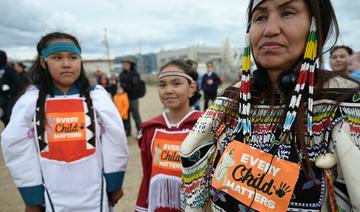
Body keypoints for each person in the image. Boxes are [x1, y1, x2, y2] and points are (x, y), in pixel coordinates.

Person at [180, 0, 360, 211]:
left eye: (288, 13)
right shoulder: (228, 103)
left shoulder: (347, 103)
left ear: (316, 25)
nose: (270, 29)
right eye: (260, 17)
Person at [1, 32, 129, 212]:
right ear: (43, 62)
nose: (67, 64)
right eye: (57, 57)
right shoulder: (30, 102)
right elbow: (16, 147)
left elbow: (115, 140)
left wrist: (115, 181)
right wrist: (32, 195)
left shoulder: (97, 98)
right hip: (50, 194)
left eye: (73, 57)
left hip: (95, 193)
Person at [135, 59, 202, 212]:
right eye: (162, 85)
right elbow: (147, 176)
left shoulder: (205, 128)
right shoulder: (149, 130)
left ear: (192, 88)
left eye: (176, 84)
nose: (168, 90)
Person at [119, 57, 142, 136]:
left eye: (126, 64)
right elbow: (121, 86)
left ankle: (140, 132)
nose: (124, 65)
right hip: (124, 99)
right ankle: (128, 132)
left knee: (136, 115)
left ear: (130, 64)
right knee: (126, 116)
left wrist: (127, 88)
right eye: (123, 64)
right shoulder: (121, 75)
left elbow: (137, 86)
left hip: (133, 99)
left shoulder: (135, 74)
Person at [0, 50, 22, 125]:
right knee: (3, 117)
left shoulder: (9, 69)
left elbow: (17, 82)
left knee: (10, 115)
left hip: (10, 97)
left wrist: (10, 91)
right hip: (2, 97)